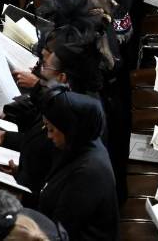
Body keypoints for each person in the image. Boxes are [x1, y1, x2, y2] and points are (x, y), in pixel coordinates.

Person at [35, 87, 119, 240]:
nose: (48, 135)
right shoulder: (79, 145)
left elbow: (60, 231)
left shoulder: (89, 172)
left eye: (51, 129)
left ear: (70, 129)